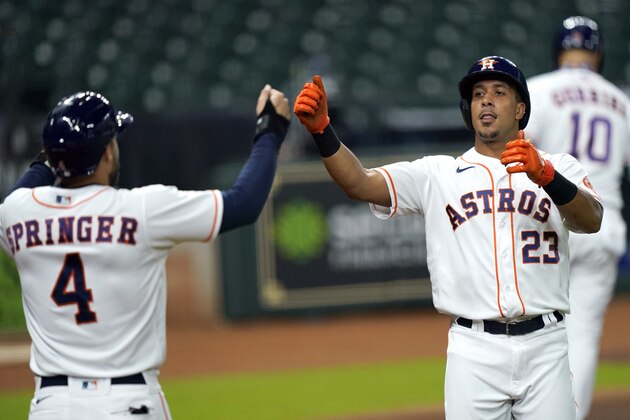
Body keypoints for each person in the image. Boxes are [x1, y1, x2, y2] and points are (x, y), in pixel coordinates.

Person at [294, 56, 603, 419]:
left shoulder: (560, 166)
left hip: (545, 343)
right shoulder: (438, 174)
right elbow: (359, 183)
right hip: (473, 350)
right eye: (477, 94)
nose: (485, 100)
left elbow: (592, 219)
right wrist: (322, 131)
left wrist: (546, 175)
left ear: (521, 108)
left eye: (499, 92)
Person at [0, 86, 290, 419]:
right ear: (107, 153)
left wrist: (57, 154)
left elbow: (22, 190)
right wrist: (270, 129)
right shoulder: (141, 209)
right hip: (128, 401)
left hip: (51, 406)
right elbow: (243, 204)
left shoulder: (18, 212)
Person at [525, 16, 630, 419]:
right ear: (599, 53)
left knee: (535, 331)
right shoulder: (619, 100)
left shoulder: (539, 89)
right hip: (603, 224)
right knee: (583, 336)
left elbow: (511, 153)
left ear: (558, 49)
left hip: (550, 227)